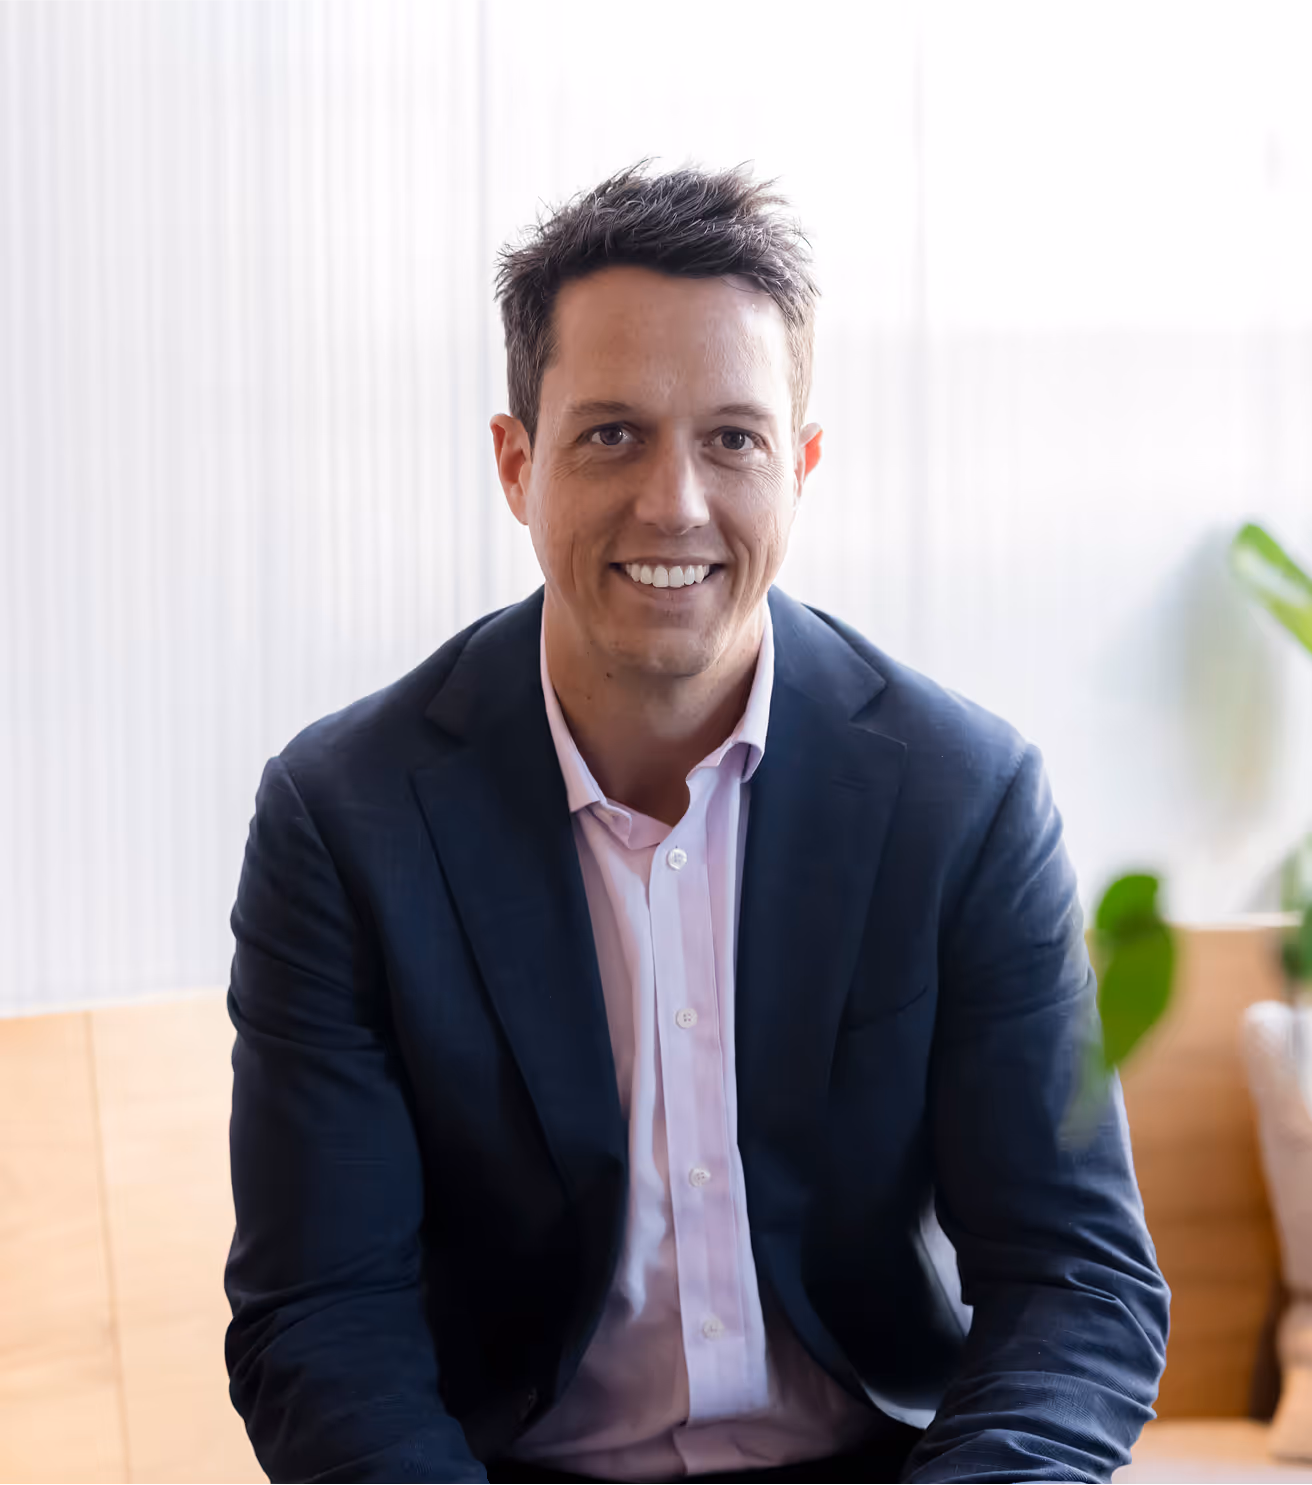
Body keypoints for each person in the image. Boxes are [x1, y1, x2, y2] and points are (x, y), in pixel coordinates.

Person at [224, 160, 1169, 1485]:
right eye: (611, 433)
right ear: (516, 463)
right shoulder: (345, 820)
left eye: (733, 437)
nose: (674, 503)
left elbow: (1077, 1282)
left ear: (803, 466)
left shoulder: (963, 799)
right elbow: (323, 1320)